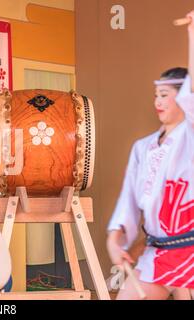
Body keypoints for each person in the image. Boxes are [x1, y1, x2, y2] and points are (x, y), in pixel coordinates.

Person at [106, 11, 194, 300]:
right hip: (156, 252)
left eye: (166, 95)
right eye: (157, 94)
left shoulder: (189, 137)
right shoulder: (142, 148)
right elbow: (128, 204)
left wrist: (192, 34)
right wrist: (115, 240)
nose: (158, 101)